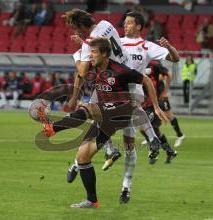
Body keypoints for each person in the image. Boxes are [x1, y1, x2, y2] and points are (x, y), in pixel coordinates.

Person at [37, 37, 167, 208]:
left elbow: (147, 81)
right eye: (90, 52)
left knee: (89, 108)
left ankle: (52, 128)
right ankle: (92, 200)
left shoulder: (120, 70)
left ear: (105, 54)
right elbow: (80, 73)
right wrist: (82, 44)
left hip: (121, 112)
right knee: (83, 157)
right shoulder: (94, 67)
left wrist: (156, 107)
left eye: (94, 52)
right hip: (105, 115)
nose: (90, 56)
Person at [66, 10, 180, 203]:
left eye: (129, 22)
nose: (125, 25)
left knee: (127, 142)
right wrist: (85, 46)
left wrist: (169, 47)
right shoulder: (111, 34)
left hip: (128, 88)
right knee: (91, 113)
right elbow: (98, 48)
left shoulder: (146, 46)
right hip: (107, 86)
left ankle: (126, 184)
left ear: (139, 26)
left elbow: (174, 59)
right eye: (125, 21)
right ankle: (95, 155)